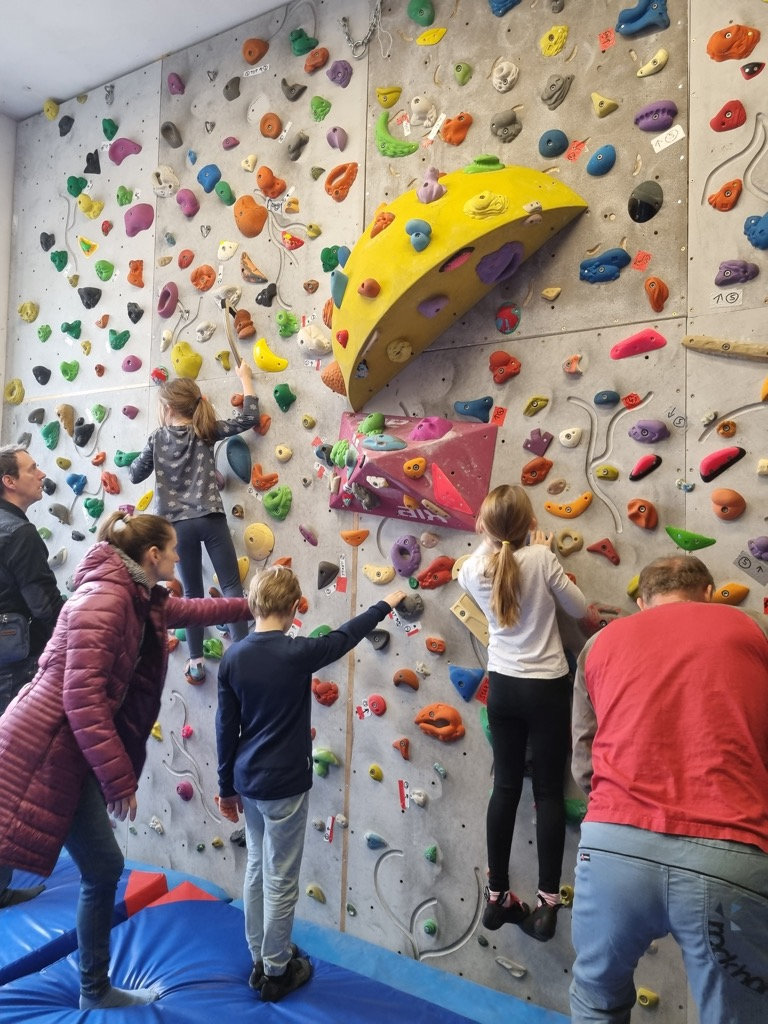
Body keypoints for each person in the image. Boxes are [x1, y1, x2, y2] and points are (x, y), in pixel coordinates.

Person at [0, 510, 251, 1010]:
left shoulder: (130, 594)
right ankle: (94, 990)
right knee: (103, 869)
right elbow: (82, 700)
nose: (178, 557)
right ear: (152, 555)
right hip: (47, 748)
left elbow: (188, 611)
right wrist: (119, 782)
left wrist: (253, 606)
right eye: (173, 549)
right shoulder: (110, 600)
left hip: (60, 746)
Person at [570, 555, 768, 1024]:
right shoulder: (754, 629)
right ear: (708, 593)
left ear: (642, 602)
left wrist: (613, 807)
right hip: (729, 851)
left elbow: (584, 753)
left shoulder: (599, 644)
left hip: (613, 848)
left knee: (596, 1002)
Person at [216, 565, 405, 1002]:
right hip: (283, 784)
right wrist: (385, 603)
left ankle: (260, 956)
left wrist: (225, 787)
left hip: (247, 781)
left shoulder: (233, 656)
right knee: (280, 877)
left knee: (257, 867)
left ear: (254, 604)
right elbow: (345, 636)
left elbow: (225, 728)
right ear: (295, 607)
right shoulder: (296, 652)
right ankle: (276, 969)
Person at [457, 483, 588, 941]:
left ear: (483, 526)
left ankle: (496, 895)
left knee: (505, 789)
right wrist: (545, 553)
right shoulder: (541, 559)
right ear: (531, 523)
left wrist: (490, 538)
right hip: (546, 688)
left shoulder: (471, 569)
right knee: (548, 793)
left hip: (504, 690)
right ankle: (548, 904)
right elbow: (579, 609)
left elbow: (491, 558)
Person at [129, 359, 259, 684]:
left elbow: (135, 474)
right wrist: (245, 379)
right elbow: (249, 418)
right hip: (210, 518)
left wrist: (144, 458)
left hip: (176, 528)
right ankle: (245, 657)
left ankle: (197, 661)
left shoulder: (157, 438)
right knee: (231, 586)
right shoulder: (205, 429)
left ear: (168, 408)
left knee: (192, 595)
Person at [0, 444, 65, 909]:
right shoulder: (19, 534)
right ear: (9, 481)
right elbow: (45, 607)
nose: (41, 474)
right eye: (32, 468)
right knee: (13, 776)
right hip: (16, 665)